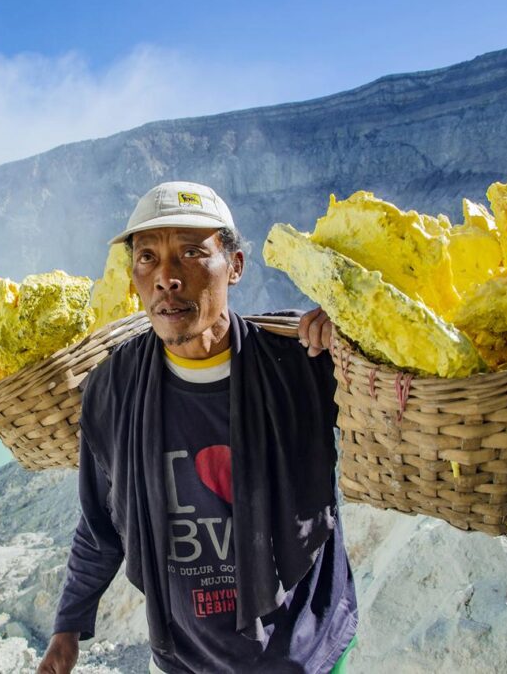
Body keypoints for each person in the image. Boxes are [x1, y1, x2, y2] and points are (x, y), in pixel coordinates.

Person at [38, 182, 358, 673]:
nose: (167, 278)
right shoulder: (114, 388)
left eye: (191, 253)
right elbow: (101, 521)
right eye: (147, 258)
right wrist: (68, 628)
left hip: (305, 651)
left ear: (235, 266)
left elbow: (402, 414)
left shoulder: (301, 359)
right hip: (181, 659)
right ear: (133, 277)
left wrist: (358, 342)